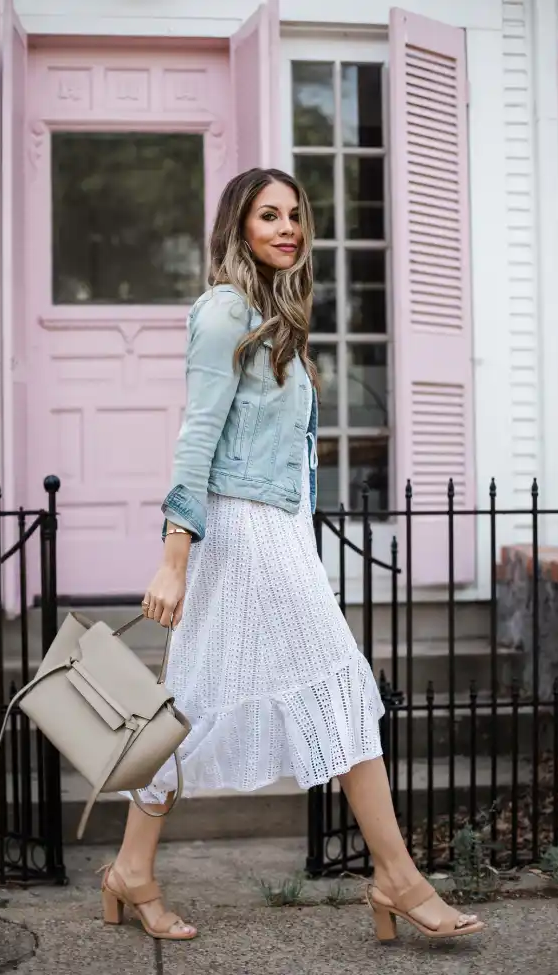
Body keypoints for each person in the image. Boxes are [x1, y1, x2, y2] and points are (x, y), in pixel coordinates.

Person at [99, 168, 484, 944]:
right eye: (268, 215)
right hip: (240, 530)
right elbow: (196, 436)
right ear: (237, 228)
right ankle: (398, 877)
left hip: (276, 530)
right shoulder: (223, 312)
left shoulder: (273, 314)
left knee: (193, 705)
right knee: (341, 682)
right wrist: (174, 556)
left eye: (296, 216)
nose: (288, 228)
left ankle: (131, 869)